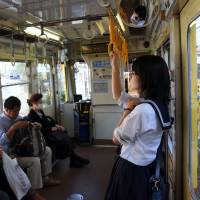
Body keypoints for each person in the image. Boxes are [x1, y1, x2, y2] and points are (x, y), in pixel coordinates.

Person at [105, 53, 171, 200]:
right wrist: (114, 67)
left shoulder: (143, 110)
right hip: (145, 167)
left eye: (134, 73)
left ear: (145, 78)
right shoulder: (156, 104)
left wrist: (127, 111)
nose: (131, 76)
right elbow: (118, 96)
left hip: (131, 170)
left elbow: (116, 138)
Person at [0, 96, 60, 190]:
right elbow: (2, 142)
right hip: (9, 155)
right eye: (15, 111)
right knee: (34, 161)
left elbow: (27, 131)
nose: (17, 114)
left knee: (47, 150)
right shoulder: (1, 122)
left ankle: (45, 178)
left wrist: (35, 126)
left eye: (18, 111)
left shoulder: (18, 117)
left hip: (21, 149)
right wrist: (13, 128)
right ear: (6, 109)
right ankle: (33, 191)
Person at [27, 93, 90, 168]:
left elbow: (47, 121)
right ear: (34, 103)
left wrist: (56, 125)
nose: (41, 104)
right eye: (40, 102)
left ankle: (73, 159)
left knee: (65, 134)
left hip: (49, 132)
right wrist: (51, 129)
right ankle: (74, 159)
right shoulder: (31, 116)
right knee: (64, 140)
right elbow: (40, 129)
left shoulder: (40, 112)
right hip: (44, 136)